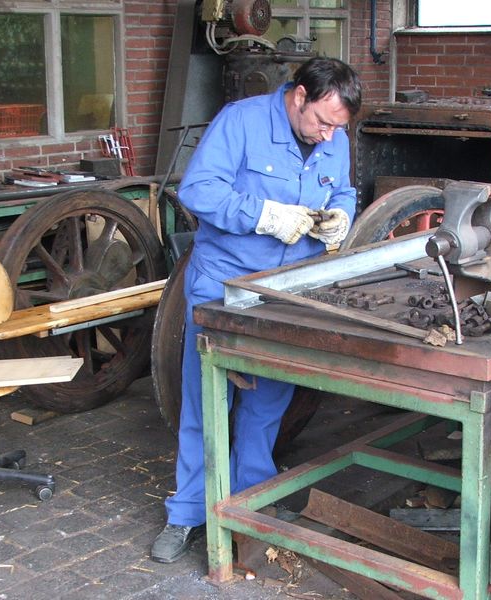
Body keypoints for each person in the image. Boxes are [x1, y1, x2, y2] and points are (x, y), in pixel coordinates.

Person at [150, 57, 362, 563]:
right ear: (298, 97)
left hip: (288, 292)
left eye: (339, 127)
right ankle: (187, 514)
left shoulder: (335, 137)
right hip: (225, 284)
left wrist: (341, 218)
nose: (330, 136)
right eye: (323, 122)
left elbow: (347, 189)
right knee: (208, 402)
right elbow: (198, 190)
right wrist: (264, 215)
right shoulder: (241, 121)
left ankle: (253, 501)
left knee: (268, 401)